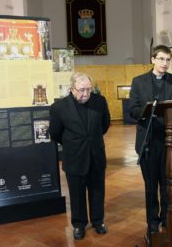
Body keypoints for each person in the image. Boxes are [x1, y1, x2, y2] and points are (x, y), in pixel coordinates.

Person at [128, 45, 172, 235]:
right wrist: (148, 111)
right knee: (150, 185)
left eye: (168, 60)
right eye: (161, 59)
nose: (165, 63)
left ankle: (166, 217)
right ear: (153, 59)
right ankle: (152, 221)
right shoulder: (138, 82)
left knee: (168, 183)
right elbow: (132, 110)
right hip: (148, 140)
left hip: (170, 142)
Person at [49, 72, 110, 240]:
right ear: (72, 89)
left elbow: (105, 125)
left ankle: (98, 221)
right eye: (82, 90)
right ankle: (79, 224)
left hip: (96, 155)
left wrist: (91, 139)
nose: (86, 94)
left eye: (89, 90)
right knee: (76, 194)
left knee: (98, 191)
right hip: (74, 156)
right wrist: (74, 143)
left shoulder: (100, 102)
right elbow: (55, 133)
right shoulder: (58, 108)